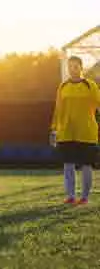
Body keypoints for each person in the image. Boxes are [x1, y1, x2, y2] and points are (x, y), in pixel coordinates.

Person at [50, 56, 100, 205]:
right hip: (66, 132)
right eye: (70, 67)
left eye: (75, 67)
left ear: (81, 68)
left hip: (87, 132)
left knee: (86, 165)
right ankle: (71, 196)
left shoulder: (90, 85)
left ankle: (84, 197)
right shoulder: (63, 86)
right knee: (68, 165)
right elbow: (58, 110)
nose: (72, 70)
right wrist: (54, 130)